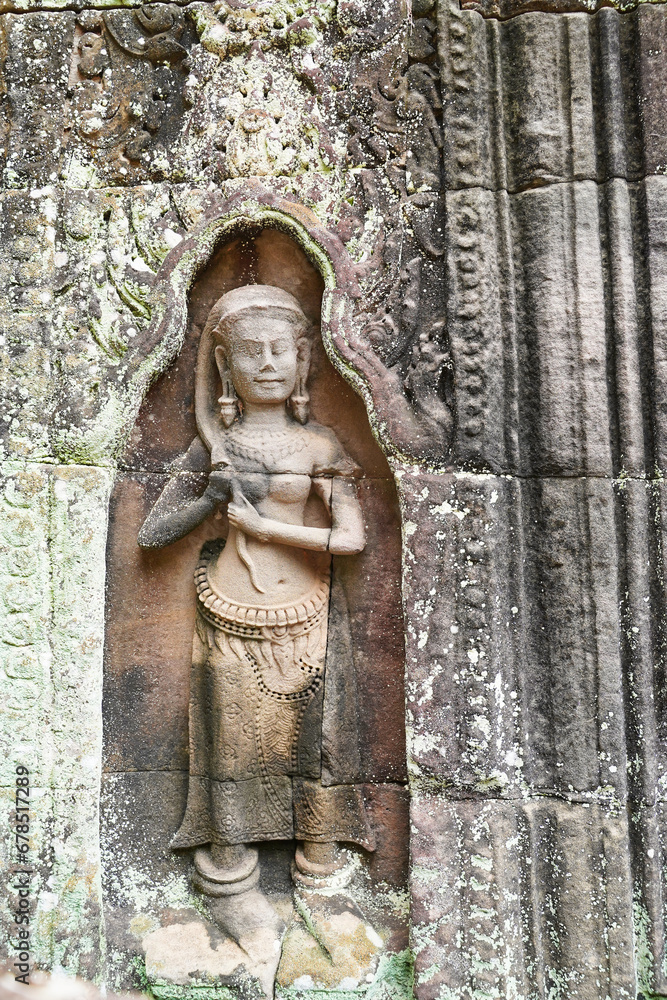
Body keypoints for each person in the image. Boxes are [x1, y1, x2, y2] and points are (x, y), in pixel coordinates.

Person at [138, 284, 374, 953]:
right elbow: (153, 534)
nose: (266, 364)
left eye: (280, 351)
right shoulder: (215, 449)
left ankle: (319, 874)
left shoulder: (319, 444)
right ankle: (231, 879)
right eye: (249, 353)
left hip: (304, 611)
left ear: (304, 361)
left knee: (315, 743)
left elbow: (350, 539)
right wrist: (209, 493)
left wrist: (263, 524)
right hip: (229, 610)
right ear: (224, 367)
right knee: (231, 745)